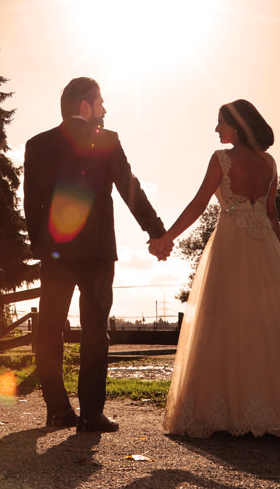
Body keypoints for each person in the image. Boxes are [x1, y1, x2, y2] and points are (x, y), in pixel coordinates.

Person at [149, 100, 280, 437]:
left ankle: (226, 409)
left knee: (223, 319)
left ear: (237, 126)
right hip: (266, 247)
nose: (216, 130)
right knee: (271, 324)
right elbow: (272, 213)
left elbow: (200, 203)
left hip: (231, 243)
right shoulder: (269, 162)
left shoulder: (222, 159)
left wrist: (166, 238)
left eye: (221, 124)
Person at [24, 77, 170, 433]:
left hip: (56, 254)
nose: (105, 110)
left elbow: (32, 201)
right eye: (100, 103)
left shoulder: (37, 144)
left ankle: (58, 410)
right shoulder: (107, 141)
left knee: (48, 331)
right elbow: (128, 188)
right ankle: (90, 414)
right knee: (94, 332)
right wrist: (157, 231)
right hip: (97, 254)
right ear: (84, 107)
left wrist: (41, 247)